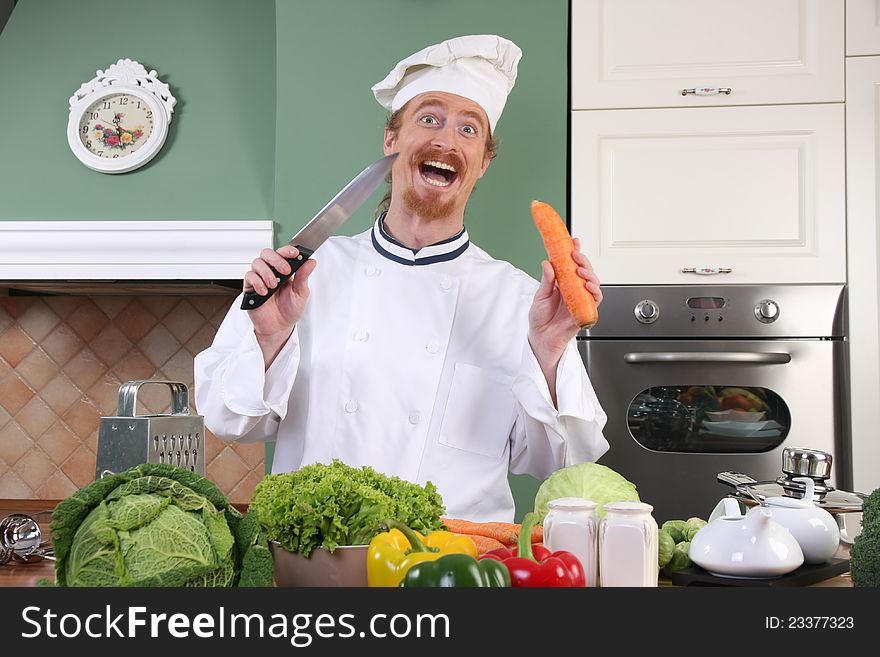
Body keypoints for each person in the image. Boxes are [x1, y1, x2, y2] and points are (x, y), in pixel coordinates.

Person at [194, 34, 608, 522]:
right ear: (392, 141)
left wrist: (550, 350)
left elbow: (560, 461)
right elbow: (230, 421)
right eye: (429, 118)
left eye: (469, 129)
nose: (446, 140)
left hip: (453, 568)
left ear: (483, 164)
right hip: (321, 565)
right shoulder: (301, 278)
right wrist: (268, 338)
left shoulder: (520, 300)